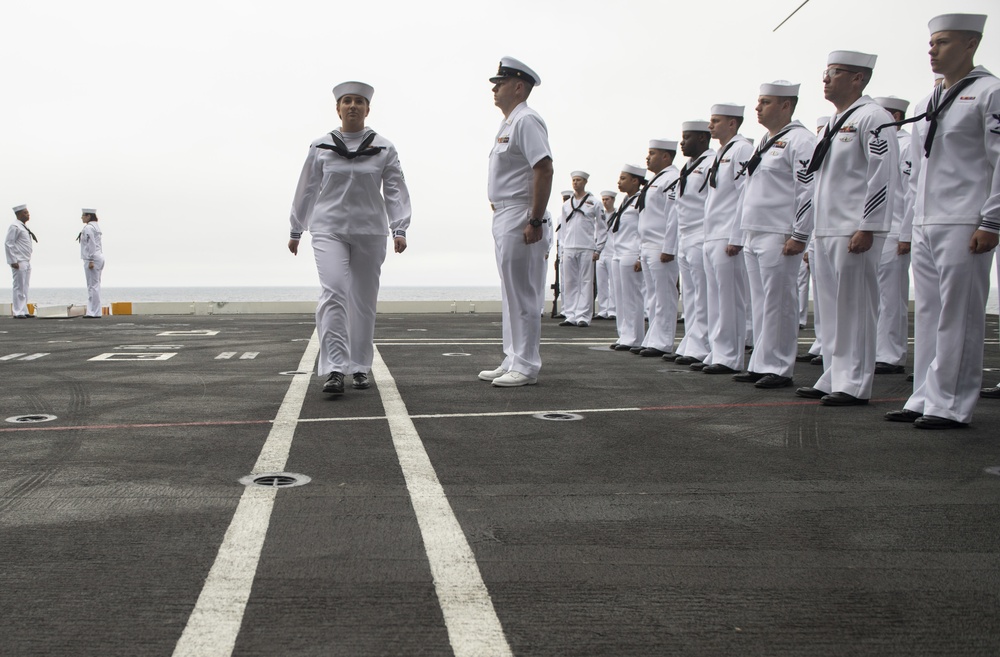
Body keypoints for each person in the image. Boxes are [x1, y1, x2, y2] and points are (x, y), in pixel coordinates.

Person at [885, 13, 999, 428]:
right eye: (932, 43)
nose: (933, 50)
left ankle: (951, 403)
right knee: (931, 314)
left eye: (944, 43)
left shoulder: (990, 92)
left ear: (971, 44)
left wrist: (992, 220)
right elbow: (916, 172)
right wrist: (910, 225)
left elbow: (999, 160)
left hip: (966, 218)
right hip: (927, 221)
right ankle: (925, 396)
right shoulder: (926, 101)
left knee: (961, 315)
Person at [288, 81, 411, 395]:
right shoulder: (320, 146)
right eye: (347, 101)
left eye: (359, 101)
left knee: (363, 301)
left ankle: (359, 366)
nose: (353, 106)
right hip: (329, 228)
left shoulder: (384, 147)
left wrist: (400, 227)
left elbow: (395, 189)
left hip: (370, 230)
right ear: (338, 108)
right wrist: (296, 227)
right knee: (334, 292)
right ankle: (333, 368)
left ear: (367, 109)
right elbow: (307, 188)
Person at [795, 50, 898, 406]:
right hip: (827, 229)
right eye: (825, 73)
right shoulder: (834, 122)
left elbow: (881, 174)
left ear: (858, 78)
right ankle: (834, 375)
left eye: (834, 73)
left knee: (855, 309)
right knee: (832, 312)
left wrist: (868, 225)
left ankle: (853, 383)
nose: (825, 79)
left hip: (853, 228)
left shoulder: (873, 117)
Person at [732, 81, 816, 389]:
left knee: (779, 303)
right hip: (755, 232)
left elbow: (807, 189)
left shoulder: (801, 140)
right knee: (761, 302)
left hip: (779, 234)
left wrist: (800, 234)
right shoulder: (766, 141)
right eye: (758, 102)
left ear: (786, 106)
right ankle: (761, 362)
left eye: (765, 102)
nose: (758, 107)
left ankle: (779, 367)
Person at [479, 57, 553, 387]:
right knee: (511, 293)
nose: (495, 88)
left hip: (522, 213)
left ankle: (526, 364)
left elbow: (544, 168)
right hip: (505, 214)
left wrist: (535, 219)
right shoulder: (509, 123)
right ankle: (513, 356)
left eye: (501, 83)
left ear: (518, 87)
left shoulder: (527, 120)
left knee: (523, 293)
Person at [702, 104, 754, 374]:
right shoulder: (721, 152)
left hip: (727, 235)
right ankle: (717, 350)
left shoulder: (742, 149)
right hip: (713, 234)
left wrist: (737, 235)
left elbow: (744, 193)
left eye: (716, 121)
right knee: (715, 298)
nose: (711, 125)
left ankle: (730, 356)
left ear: (732, 123)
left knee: (730, 299)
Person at [668, 121, 715, 368]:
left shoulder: (710, 163)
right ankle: (691, 341)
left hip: (701, 233)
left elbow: (713, 202)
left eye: (687, 137)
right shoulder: (688, 167)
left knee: (702, 294)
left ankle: (702, 345)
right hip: (686, 236)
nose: (682, 142)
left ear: (703, 139)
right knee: (691, 295)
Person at [872, 96, 913, 375]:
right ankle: (877, 349)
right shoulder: (880, 143)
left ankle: (891, 353)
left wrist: (907, 233)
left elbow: (911, 193)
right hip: (876, 231)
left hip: (896, 229)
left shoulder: (907, 144)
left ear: (895, 117)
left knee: (891, 298)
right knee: (874, 297)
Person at [636, 139, 680, 358]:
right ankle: (653, 338)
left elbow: (673, 214)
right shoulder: (657, 180)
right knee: (652, 297)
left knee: (664, 297)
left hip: (661, 245)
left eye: (652, 153)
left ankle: (662, 342)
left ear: (666, 156)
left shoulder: (671, 178)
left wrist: (669, 246)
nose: (648, 157)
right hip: (648, 245)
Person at [609, 164, 647, 351]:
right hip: (618, 252)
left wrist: (640, 254)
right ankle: (624, 334)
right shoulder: (626, 200)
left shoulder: (641, 199)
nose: (619, 181)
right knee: (620, 297)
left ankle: (635, 337)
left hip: (631, 252)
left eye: (623, 178)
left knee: (632, 297)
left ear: (635, 181)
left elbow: (643, 228)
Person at [557, 172, 602, 327]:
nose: (575, 183)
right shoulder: (566, 204)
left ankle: (583, 315)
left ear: (585, 182)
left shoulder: (594, 202)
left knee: (586, 282)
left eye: (578, 180)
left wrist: (599, 248)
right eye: (573, 180)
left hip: (586, 246)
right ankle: (570, 314)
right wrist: (563, 247)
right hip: (569, 246)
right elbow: (563, 228)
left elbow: (602, 227)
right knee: (570, 282)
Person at [5, 205, 36, 319]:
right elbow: (8, 243)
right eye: (25, 213)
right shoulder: (15, 226)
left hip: (26, 260)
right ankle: (18, 311)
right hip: (19, 260)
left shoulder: (23, 227)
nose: (28, 214)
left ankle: (24, 309)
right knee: (18, 286)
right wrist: (13, 260)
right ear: (18, 214)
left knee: (25, 286)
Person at [593, 191, 618, 320]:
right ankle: (603, 309)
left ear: (613, 200)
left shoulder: (618, 214)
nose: (605, 202)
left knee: (613, 282)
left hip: (613, 251)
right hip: (601, 251)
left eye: (607, 199)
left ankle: (613, 309)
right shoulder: (599, 216)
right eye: (603, 199)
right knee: (601, 282)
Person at [78, 208, 105, 318]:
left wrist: (90, 260)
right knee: (96, 285)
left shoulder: (88, 228)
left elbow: (91, 244)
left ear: (89, 216)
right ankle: (96, 311)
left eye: (83, 215)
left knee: (92, 286)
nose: (82, 217)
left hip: (92, 258)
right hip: (99, 256)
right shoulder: (96, 227)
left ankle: (92, 312)